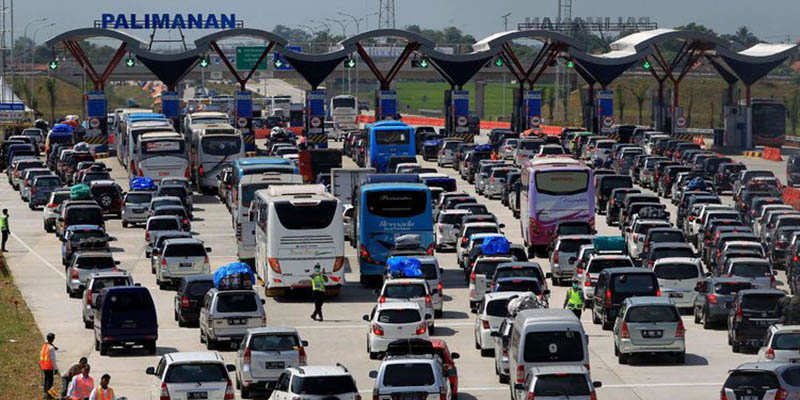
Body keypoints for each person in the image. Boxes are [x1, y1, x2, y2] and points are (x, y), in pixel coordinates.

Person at [39, 332, 59, 399]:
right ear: (53, 339)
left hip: (43, 365)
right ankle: (48, 395)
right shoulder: (51, 348)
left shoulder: (44, 346)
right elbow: (53, 359)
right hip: (49, 366)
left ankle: (45, 393)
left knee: (46, 379)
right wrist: (55, 368)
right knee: (50, 381)